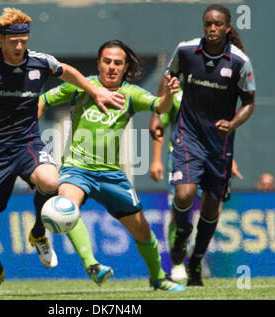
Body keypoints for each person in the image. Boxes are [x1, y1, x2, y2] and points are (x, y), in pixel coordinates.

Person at [0, 8, 125, 297]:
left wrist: (95, 91)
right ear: (0, 39)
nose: (19, 46)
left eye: (23, 40)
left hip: (28, 144)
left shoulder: (40, 62)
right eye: (13, 42)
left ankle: (38, 233)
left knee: (51, 181)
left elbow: (67, 71)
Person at [38, 40, 185, 292]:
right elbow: (42, 100)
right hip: (77, 168)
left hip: (112, 175)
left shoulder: (131, 93)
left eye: (118, 63)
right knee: (65, 206)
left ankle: (158, 277)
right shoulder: (81, 86)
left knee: (142, 230)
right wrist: (27, 134)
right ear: (99, 63)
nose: (112, 67)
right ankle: (92, 265)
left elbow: (160, 107)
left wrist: (169, 94)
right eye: (107, 61)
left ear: (125, 66)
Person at [149, 4, 256, 286]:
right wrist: (158, 113)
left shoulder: (239, 62)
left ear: (227, 27)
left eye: (218, 24)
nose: (212, 28)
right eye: (208, 23)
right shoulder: (185, 51)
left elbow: (249, 102)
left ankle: (196, 261)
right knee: (183, 195)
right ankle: (181, 234)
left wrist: (233, 124)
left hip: (219, 145)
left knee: (211, 209)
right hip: (187, 136)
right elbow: (168, 78)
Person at [149, 89, 243, 281]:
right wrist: (156, 159)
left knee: (214, 208)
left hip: (212, 157)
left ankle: (197, 255)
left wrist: (229, 160)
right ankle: (177, 265)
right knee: (180, 210)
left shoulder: (216, 89)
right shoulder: (175, 93)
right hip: (180, 157)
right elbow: (160, 124)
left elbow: (223, 129)